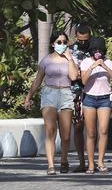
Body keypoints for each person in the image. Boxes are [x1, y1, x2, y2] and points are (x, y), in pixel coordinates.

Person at [24, 31, 79, 175]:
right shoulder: (46, 60)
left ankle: (64, 160)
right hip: (50, 94)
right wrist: (29, 96)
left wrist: (70, 59)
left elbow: (74, 76)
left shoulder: (71, 59)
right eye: (59, 42)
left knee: (66, 135)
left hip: (66, 94)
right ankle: (50, 165)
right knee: (50, 131)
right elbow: (38, 80)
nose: (62, 45)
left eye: (64, 42)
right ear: (53, 44)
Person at [80, 37, 112, 174]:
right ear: (91, 51)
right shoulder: (85, 62)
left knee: (103, 131)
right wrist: (92, 67)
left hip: (104, 99)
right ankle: (90, 164)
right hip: (89, 99)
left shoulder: (109, 62)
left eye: (100, 50)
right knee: (91, 133)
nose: (97, 52)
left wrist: (104, 66)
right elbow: (84, 81)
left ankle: (101, 161)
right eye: (95, 50)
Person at [69, 23, 91, 172]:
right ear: (76, 37)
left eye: (86, 40)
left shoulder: (95, 50)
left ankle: (93, 162)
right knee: (78, 127)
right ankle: (82, 162)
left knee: (92, 129)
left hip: (92, 92)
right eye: (80, 40)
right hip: (75, 93)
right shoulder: (70, 51)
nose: (83, 43)